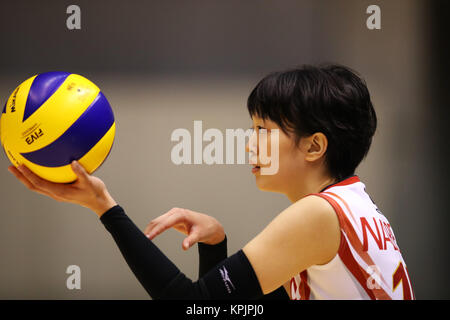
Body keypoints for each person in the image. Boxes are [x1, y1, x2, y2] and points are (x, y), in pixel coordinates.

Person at [8, 64, 414, 300]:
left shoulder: (317, 214)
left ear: (314, 147)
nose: (249, 144)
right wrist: (215, 244)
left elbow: (190, 306)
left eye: (262, 130)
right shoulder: (355, 206)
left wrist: (105, 207)